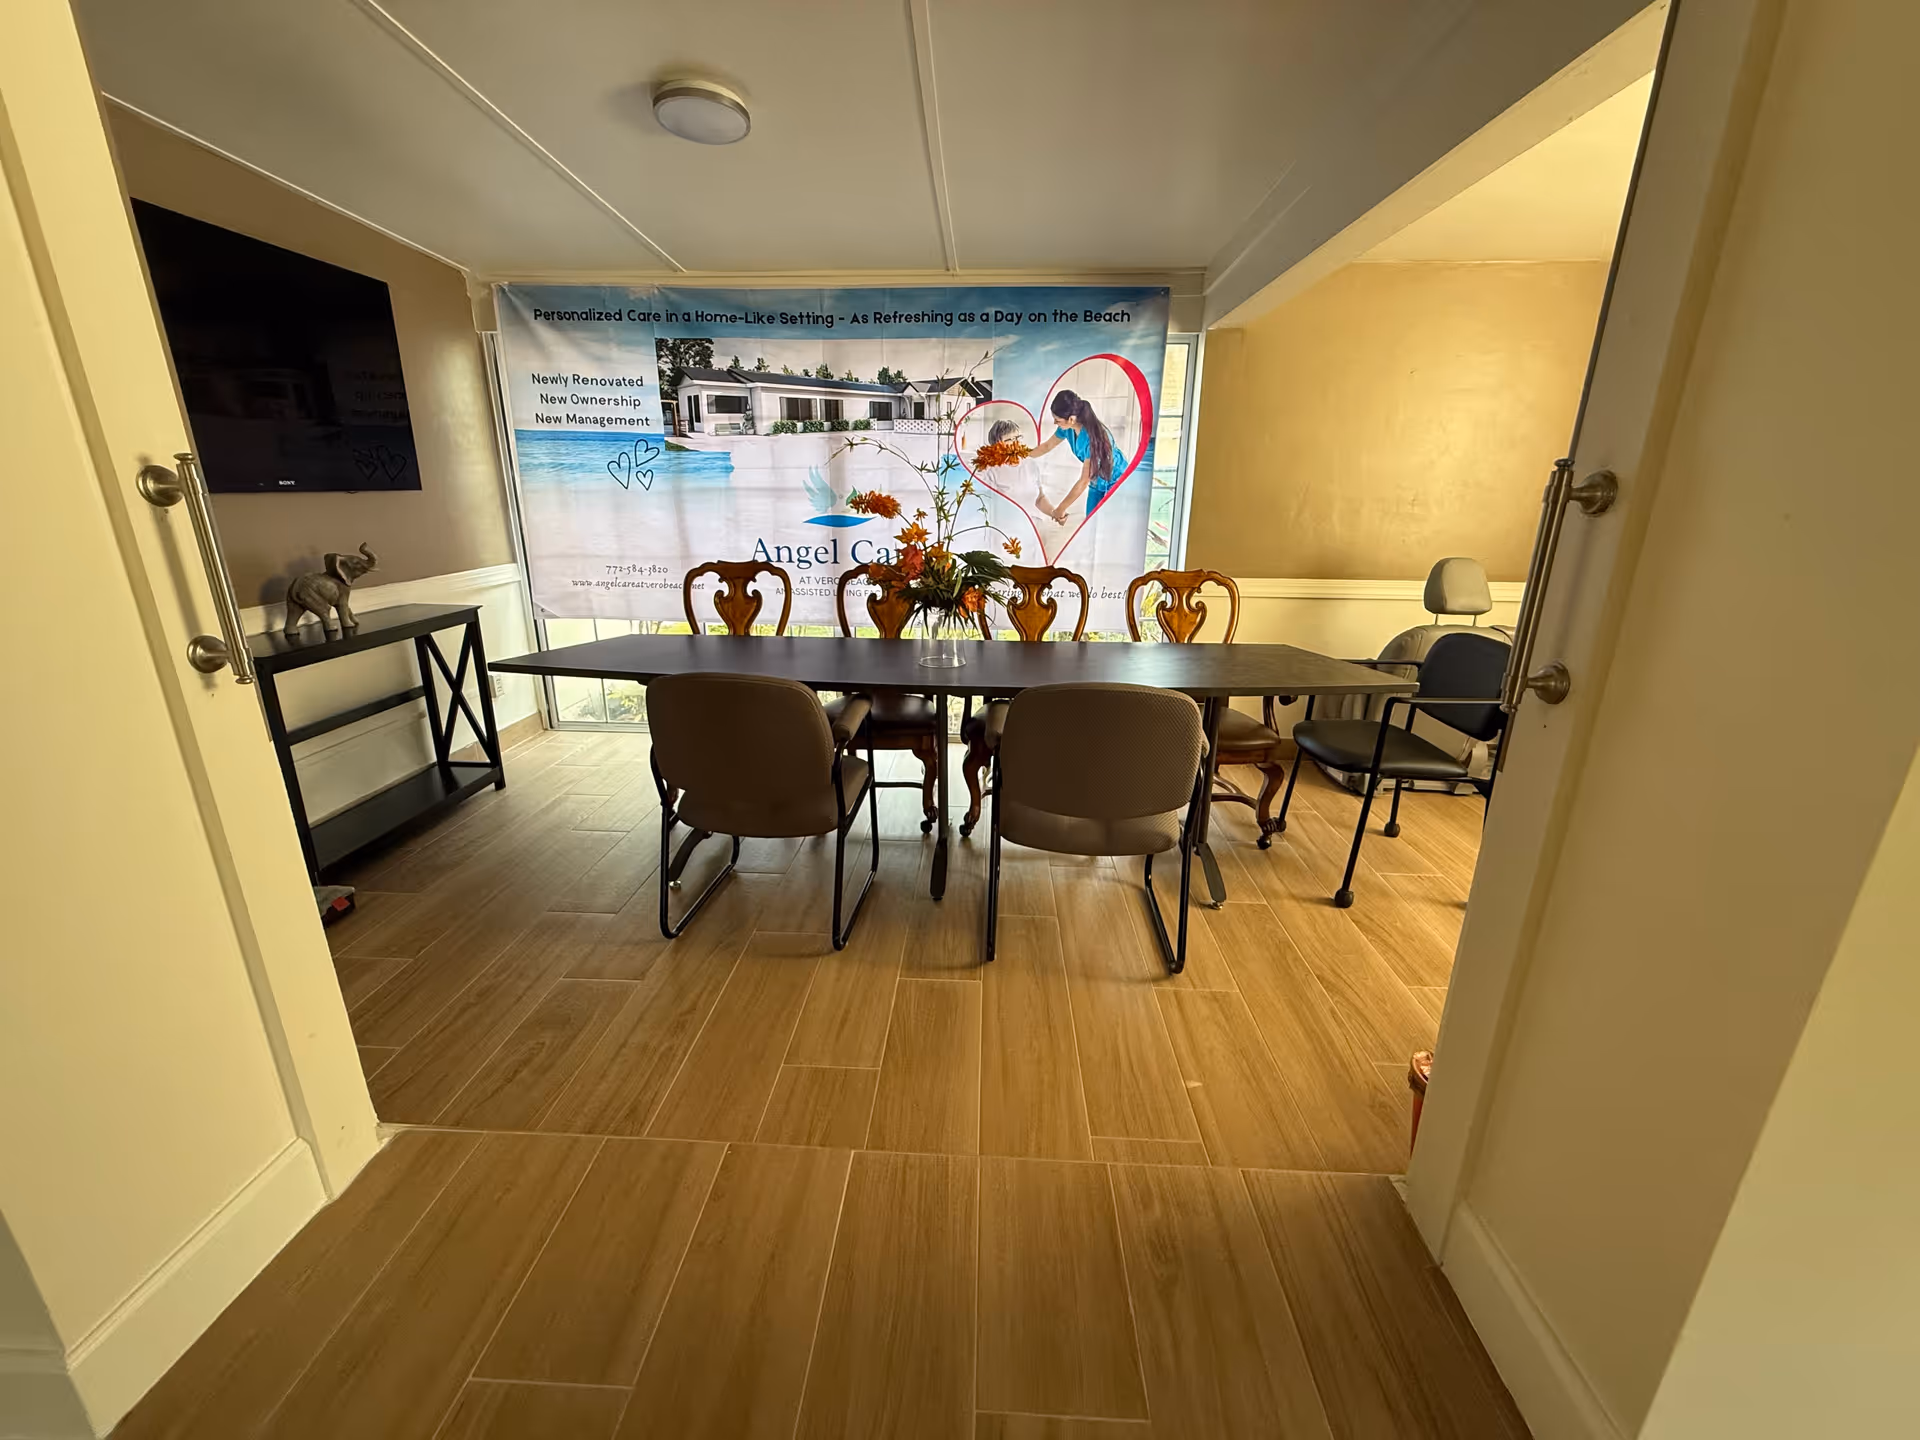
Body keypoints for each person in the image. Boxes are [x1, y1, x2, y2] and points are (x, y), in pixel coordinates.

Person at [1030, 389, 1122, 522]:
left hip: (1116, 480)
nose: (1055, 423)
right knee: (1090, 522)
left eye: (1057, 420)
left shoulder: (1095, 439)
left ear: (1071, 419)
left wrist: (1060, 509)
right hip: (1097, 481)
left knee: (1107, 525)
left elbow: (1083, 481)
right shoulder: (1066, 429)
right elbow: (1047, 446)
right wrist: (1019, 454)